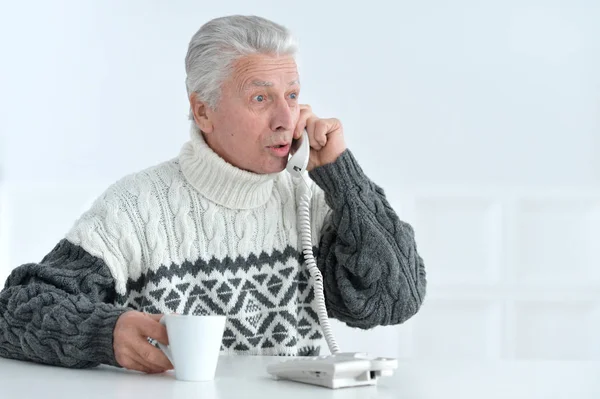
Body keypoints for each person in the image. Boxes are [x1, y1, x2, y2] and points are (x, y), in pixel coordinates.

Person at [0, 15, 427, 374]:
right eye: (260, 97)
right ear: (203, 110)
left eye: (293, 96)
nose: (285, 118)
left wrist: (341, 175)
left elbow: (395, 301)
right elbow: (14, 311)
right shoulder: (136, 208)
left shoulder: (311, 200)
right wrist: (103, 333)